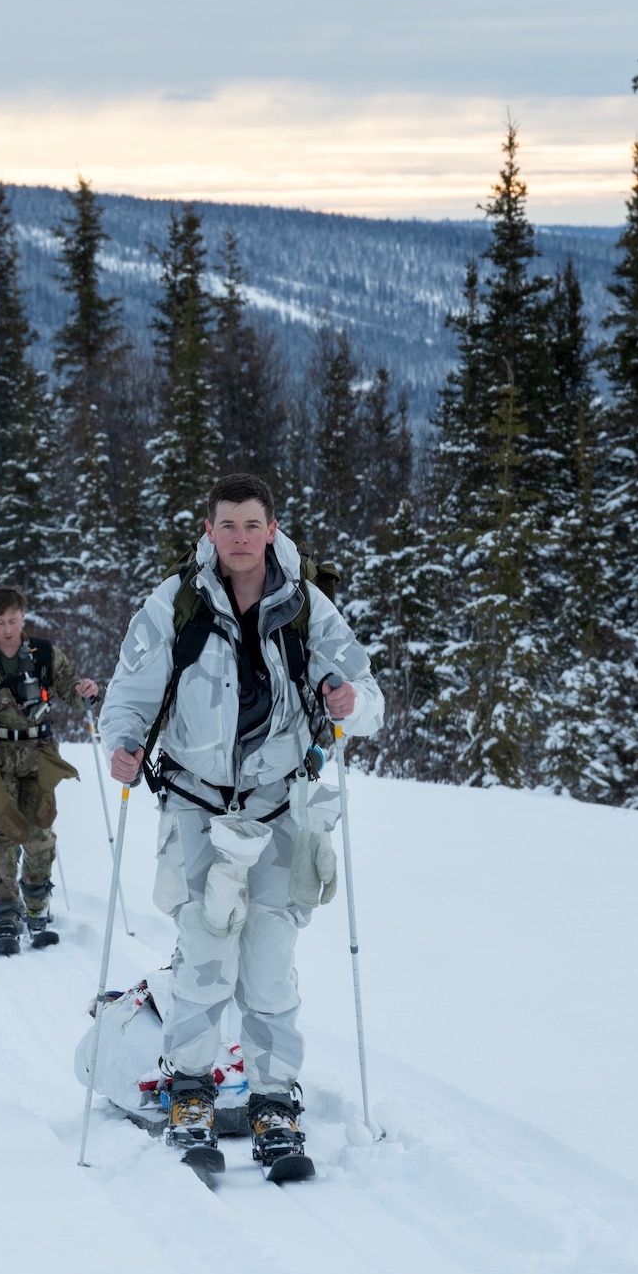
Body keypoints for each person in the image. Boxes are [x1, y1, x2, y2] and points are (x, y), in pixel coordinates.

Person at [99, 471, 382, 1179]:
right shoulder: (174, 605)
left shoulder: (307, 607)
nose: (240, 539)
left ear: (273, 530)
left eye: (253, 525)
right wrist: (125, 745)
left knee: (269, 961)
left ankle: (275, 1103)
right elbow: (128, 695)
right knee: (203, 951)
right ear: (209, 531)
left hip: (280, 804)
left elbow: (367, 698)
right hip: (197, 804)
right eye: (228, 525)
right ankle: (190, 1092)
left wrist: (350, 700)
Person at [0, 586, 101, 955]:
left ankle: (36, 904)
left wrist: (87, 692)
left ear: (23, 618)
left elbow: (70, 691)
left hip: (38, 754)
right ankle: (4, 912)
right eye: (0, 622)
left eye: (13, 621)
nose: (8, 629)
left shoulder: (45, 654)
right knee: (1, 834)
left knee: (39, 834)